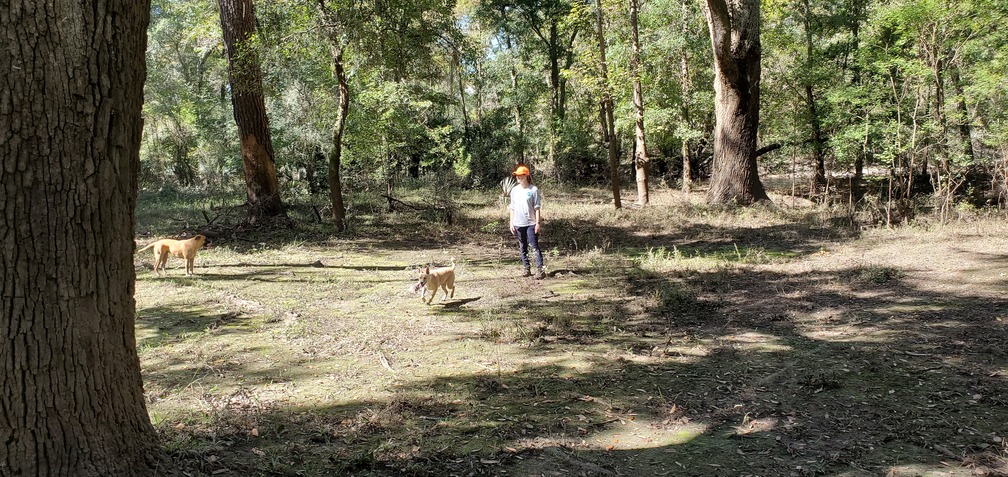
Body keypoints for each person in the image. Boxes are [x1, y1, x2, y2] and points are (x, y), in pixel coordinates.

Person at [508, 164, 545, 279]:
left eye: (520, 175)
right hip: (518, 223)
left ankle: (540, 269)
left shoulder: (533, 190)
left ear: (526, 175)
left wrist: (538, 223)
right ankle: (526, 268)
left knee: (534, 246)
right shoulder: (514, 190)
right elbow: (512, 207)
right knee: (522, 247)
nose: (518, 177)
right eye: (516, 175)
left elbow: (537, 208)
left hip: (531, 223)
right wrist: (511, 222)